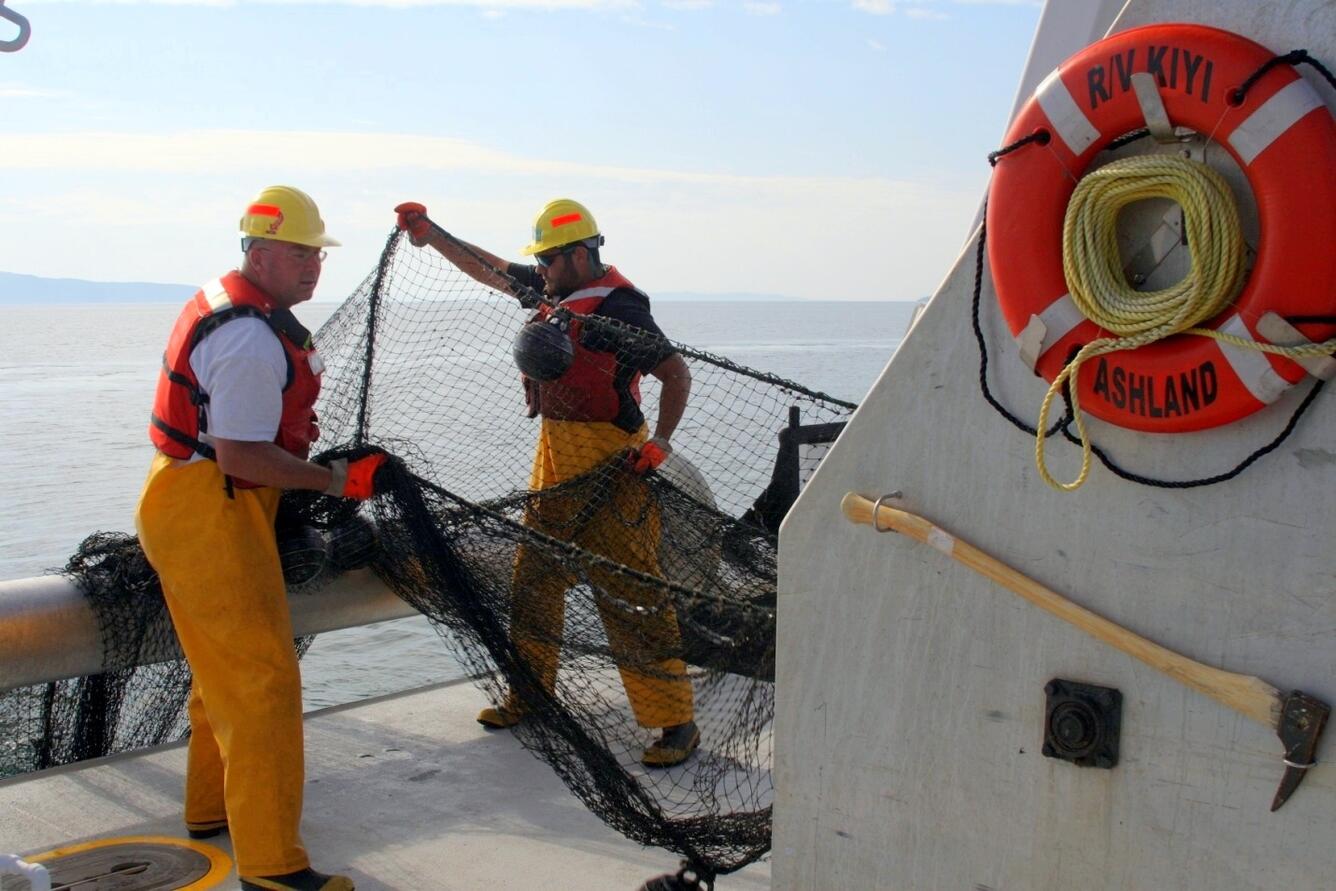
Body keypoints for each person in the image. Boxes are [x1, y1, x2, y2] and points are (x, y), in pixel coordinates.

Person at [136, 186, 385, 891]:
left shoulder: (231, 304)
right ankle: (274, 868)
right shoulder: (247, 337)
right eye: (302, 253)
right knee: (262, 684)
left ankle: (209, 810)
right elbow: (243, 457)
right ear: (261, 252)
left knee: (222, 674)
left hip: (185, 497)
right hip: (211, 508)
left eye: (318, 254)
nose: (314, 267)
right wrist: (337, 482)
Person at [394, 198, 700, 768]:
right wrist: (431, 234)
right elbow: (489, 269)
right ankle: (531, 694)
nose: (542, 271)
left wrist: (660, 442)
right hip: (555, 455)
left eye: (551, 260)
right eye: (542, 262)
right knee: (532, 579)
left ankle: (675, 722)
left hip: (612, 460)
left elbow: (675, 373)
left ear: (581, 255)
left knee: (631, 593)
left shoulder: (623, 310)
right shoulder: (554, 289)